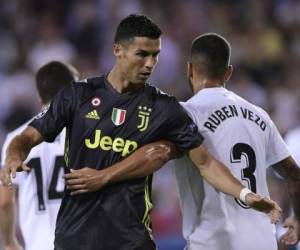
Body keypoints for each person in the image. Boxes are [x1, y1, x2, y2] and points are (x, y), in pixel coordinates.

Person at [0, 15, 280, 250]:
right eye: (142, 54)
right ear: (117, 50)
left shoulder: (164, 108)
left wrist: (244, 194)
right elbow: (26, 137)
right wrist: (13, 156)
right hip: (76, 239)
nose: (150, 64)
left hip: (132, 241)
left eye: (155, 55)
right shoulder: (78, 95)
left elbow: (205, 162)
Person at [65, 33, 300, 250]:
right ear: (228, 72)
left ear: (189, 70)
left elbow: (157, 153)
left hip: (212, 243)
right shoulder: (259, 115)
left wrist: (105, 175)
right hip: (262, 243)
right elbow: (293, 173)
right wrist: (297, 218)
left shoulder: (187, 113)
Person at [0, 61, 79, 250]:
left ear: (39, 97)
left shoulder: (16, 138)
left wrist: (10, 242)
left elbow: (4, 202)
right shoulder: (91, 134)